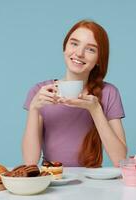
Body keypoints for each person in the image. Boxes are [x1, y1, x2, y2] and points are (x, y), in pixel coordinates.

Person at [22, 20, 127, 167]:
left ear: (99, 59)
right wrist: (34, 109)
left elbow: (120, 160)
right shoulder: (41, 92)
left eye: (90, 49)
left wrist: (96, 110)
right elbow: (30, 162)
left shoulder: (109, 92)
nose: (79, 53)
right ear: (64, 47)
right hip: (53, 179)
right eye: (74, 43)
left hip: (92, 183)